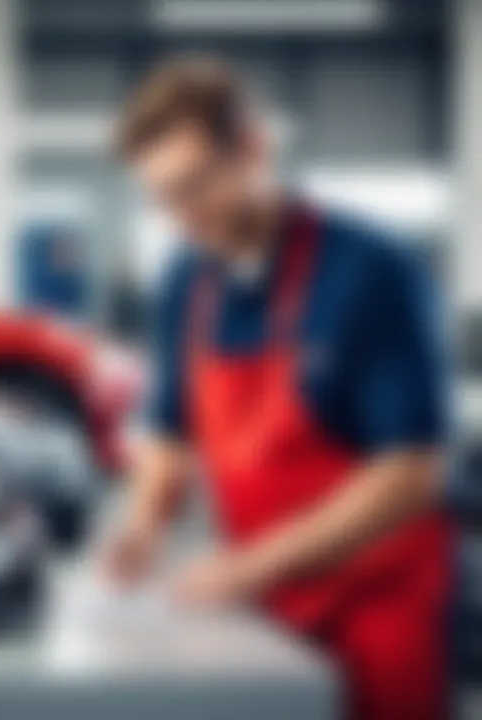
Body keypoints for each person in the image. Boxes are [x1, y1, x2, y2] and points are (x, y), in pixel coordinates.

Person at [100, 57, 452, 719]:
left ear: (253, 149)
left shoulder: (371, 270)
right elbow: (172, 429)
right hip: (269, 606)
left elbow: (411, 472)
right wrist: (144, 524)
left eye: (196, 186)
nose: (182, 216)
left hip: (380, 603)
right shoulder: (187, 281)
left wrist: (249, 567)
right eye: (162, 198)